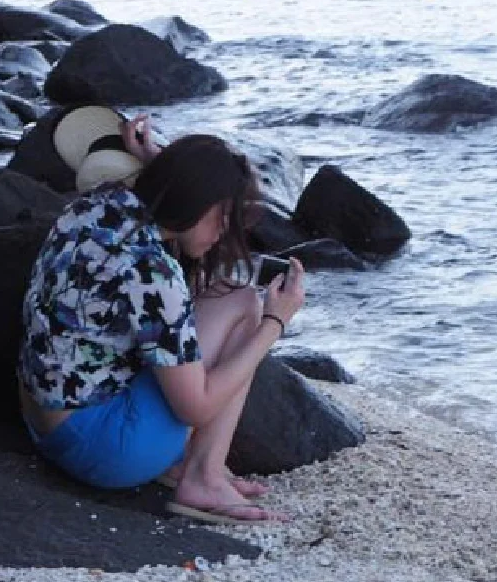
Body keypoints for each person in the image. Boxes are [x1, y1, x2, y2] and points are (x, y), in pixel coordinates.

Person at [17, 114, 304, 525]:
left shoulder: (96, 204)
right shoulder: (154, 275)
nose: (223, 234)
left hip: (44, 422)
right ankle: (202, 478)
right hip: (104, 451)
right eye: (222, 218)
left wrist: (164, 162)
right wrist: (274, 324)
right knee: (244, 304)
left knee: (222, 296)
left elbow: (178, 188)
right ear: (193, 201)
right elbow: (198, 409)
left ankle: (187, 465)